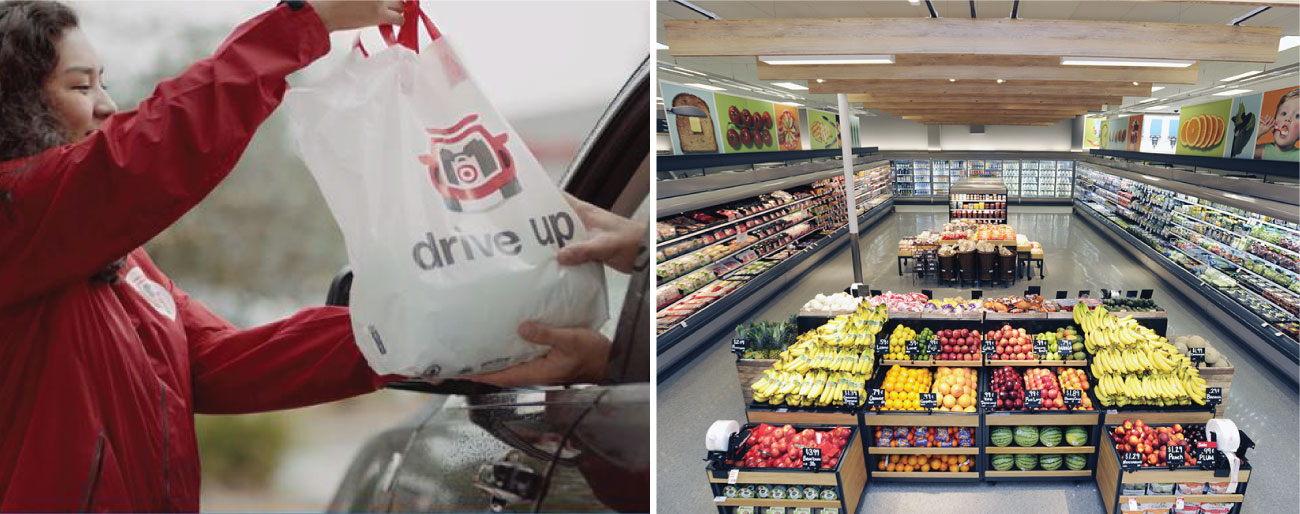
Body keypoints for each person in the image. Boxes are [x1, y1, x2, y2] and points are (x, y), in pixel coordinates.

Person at [0, 1, 640, 510]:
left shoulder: (115, 263)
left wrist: (416, 325)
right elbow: (143, 160)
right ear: (16, 108)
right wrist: (301, 24)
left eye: (105, 82)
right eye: (82, 86)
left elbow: (220, 363)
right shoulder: (15, 218)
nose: (110, 106)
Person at [1254, 88, 1299, 161]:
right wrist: (1259, 131)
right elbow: (1241, 152)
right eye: (1284, 113)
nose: (1287, 118)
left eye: (1297, 116)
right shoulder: (1263, 150)